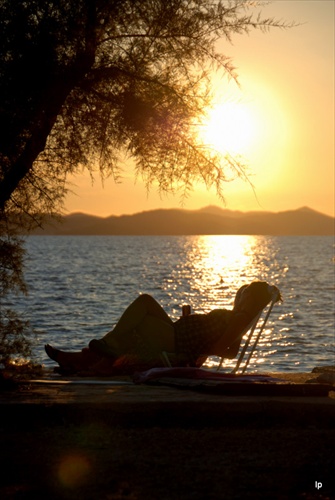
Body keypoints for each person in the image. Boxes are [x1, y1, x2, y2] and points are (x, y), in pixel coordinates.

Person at [45, 281, 281, 375]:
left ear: (252, 300)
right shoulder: (237, 316)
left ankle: (85, 356)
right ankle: (79, 360)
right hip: (176, 332)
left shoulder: (239, 319)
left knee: (142, 313)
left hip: (177, 341)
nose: (240, 295)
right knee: (144, 307)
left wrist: (198, 347)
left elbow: (224, 349)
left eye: (246, 293)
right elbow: (230, 351)